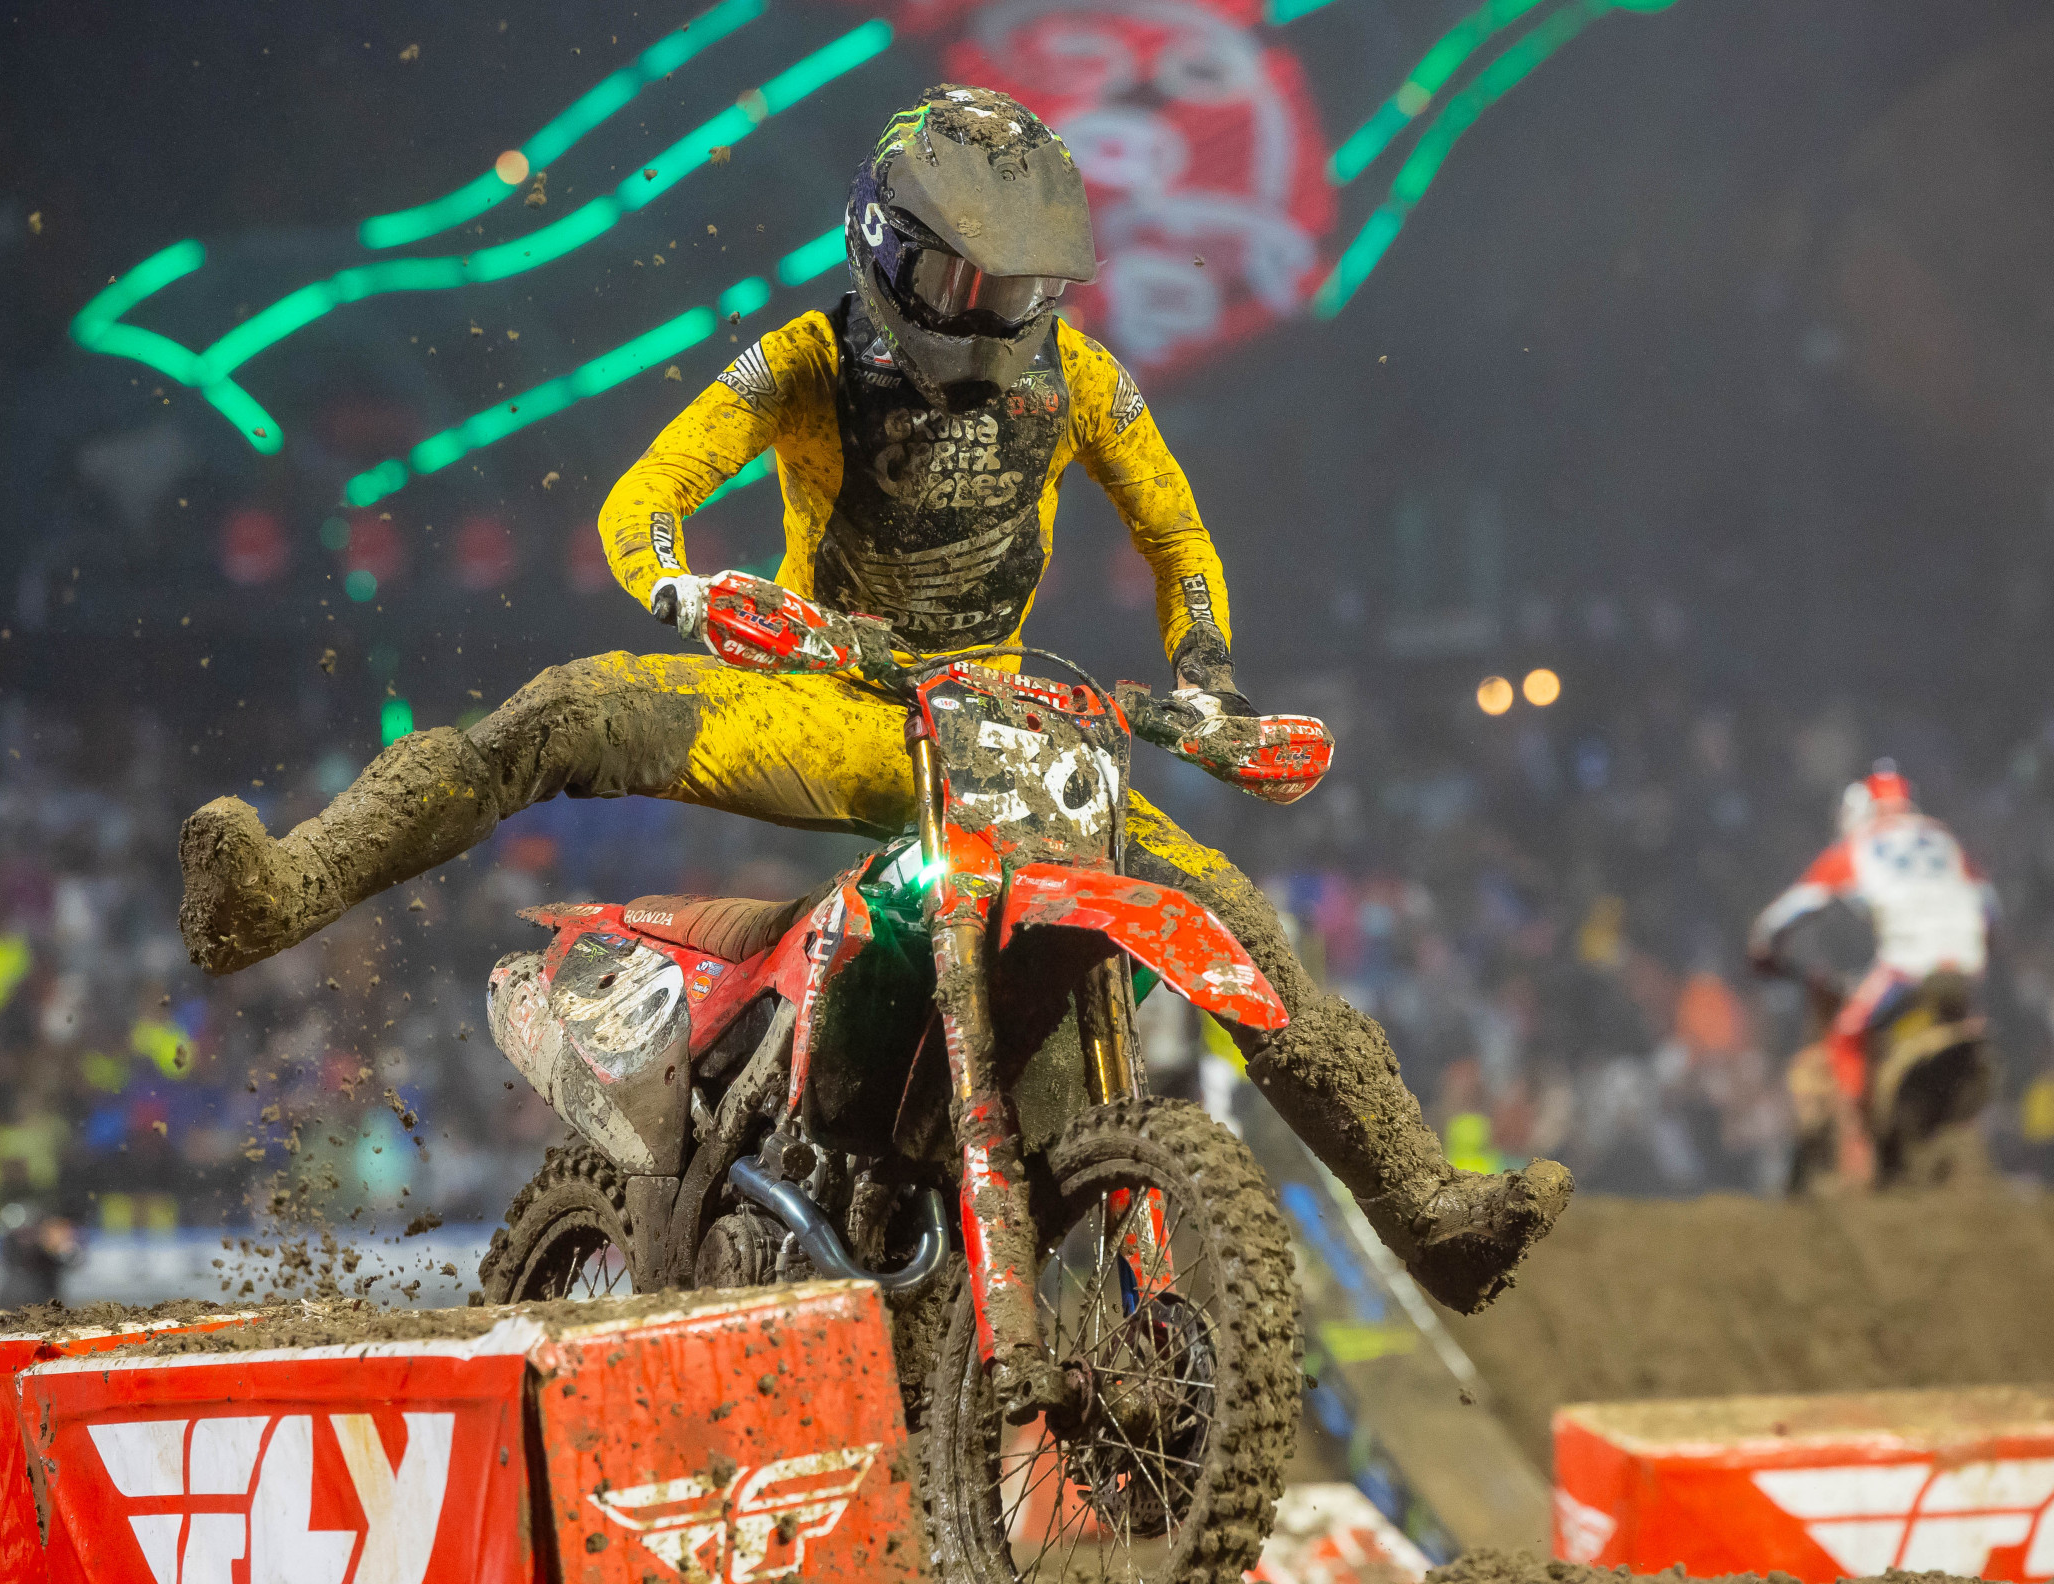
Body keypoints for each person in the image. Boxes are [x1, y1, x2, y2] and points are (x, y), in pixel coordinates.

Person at [176, 87, 1568, 1312]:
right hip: (821, 696)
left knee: (1237, 923)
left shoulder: (1081, 380)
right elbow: (642, 499)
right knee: (553, 716)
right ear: (884, 250)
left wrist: (1206, 672)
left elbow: (1178, 537)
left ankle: (1430, 1219)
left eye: (1022, 292)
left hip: (999, 732)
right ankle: (279, 893)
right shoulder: (800, 362)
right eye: (962, 283)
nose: (992, 318)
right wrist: (687, 592)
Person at [1747, 760, 1996, 1180]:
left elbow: (1787, 914)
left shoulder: (1858, 847)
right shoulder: (1944, 839)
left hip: (1907, 967)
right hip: (1965, 963)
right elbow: (1989, 905)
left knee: (1847, 1032)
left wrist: (1762, 949)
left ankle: (1857, 1148)